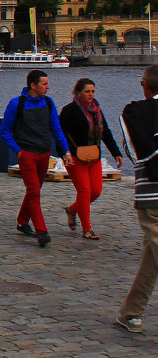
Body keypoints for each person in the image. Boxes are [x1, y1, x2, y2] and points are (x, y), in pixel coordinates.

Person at [0, 69, 72, 247]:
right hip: (27, 154)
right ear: (33, 85)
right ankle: (41, 231)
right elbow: (4, 131)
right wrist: (18, 151)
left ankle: (22, 221)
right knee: (34, 191)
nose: (48, 87)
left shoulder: (48, 102)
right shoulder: (16, 104)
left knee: (35, 190)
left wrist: (66, 151)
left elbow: (56, 128)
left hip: (44, 153)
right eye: (45, 84)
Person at [113, 64, 158, 333]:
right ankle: (131, 313)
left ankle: (131, 314)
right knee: (151, 258)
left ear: (145, 85)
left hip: (151, 193)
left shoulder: (135, 113)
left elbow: (132, 152)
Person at [58, 78, 123, 240]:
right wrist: (65, 154)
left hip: (93, 154)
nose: (91, 95)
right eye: (87, 91)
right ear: (78, 92)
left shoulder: (97, 110)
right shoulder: (69, 110)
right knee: (84, 191)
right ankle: (87, 229)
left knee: (95, 191)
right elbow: (59, 134)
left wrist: (116, 152)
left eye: (93, 91)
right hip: (74, 156)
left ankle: (72, 209)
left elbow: (105, 132)